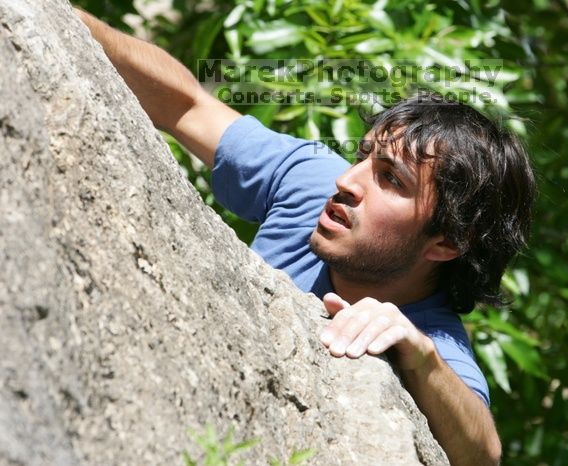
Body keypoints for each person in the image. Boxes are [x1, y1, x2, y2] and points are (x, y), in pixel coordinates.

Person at [76, 8, 536, 466]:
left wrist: (422, 359)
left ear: (446, 243)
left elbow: (482, 455)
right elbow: (187, 104)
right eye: (364, 156)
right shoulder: (315, 183)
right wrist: (62, 15)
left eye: (391, 179)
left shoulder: (429, 339)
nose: (348, 182)